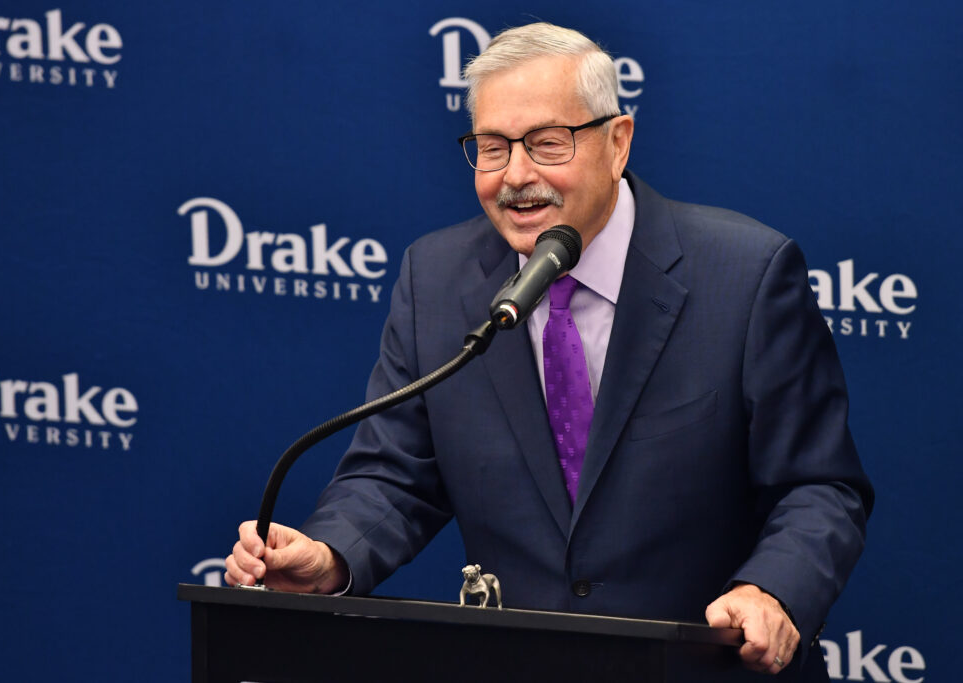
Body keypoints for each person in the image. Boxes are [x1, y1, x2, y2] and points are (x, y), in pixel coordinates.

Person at [225, 22, 872, 680]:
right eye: (492, 148)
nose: (516, 175)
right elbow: (394, 475)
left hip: (704, 668)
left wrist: (771, 589)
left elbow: (819, 485)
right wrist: (331, 553)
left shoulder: (745, 274)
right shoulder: (435, 280)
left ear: (617, 142)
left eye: (546, 143)